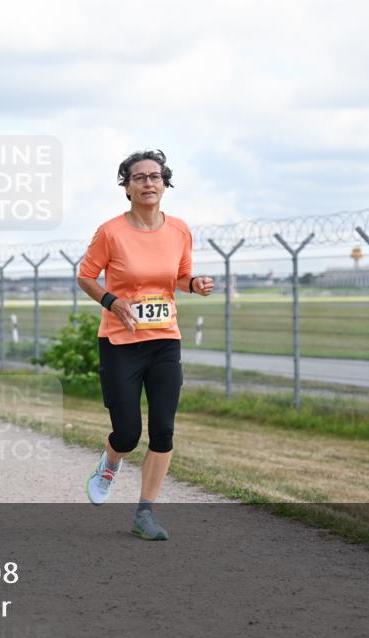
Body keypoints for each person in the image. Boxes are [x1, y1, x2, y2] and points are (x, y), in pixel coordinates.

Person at [77, 149, 214, 540]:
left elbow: (181, 276)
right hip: (121, 341)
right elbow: (86, 276)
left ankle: (145, 512)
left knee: (163, 430)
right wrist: (112, 301)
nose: (149, 183)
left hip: (165, 341)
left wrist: (196, 284)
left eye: (156, 176)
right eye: (139, 177)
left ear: (165, 184)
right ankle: (111, 460)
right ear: (127, 186)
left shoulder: (180, 230)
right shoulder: (111, 232)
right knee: (126, 432)